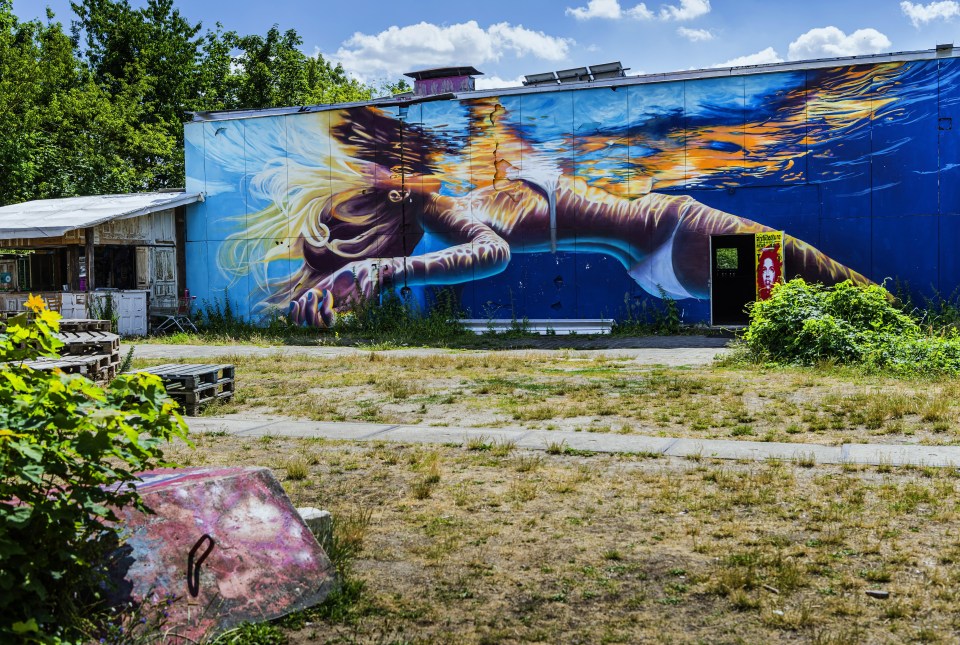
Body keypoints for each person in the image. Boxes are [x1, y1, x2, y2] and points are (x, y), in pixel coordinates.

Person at [219, 104, 871, 328]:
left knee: (804, 288)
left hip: (664, 250)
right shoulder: (462, 220)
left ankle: (873, 319)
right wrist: (390, 272)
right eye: (383, 177)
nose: (385, 170)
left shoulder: (468, 199)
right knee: (814, 281)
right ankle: (877, 315)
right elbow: (490, 254)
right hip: (675, 237)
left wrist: (388, 268)